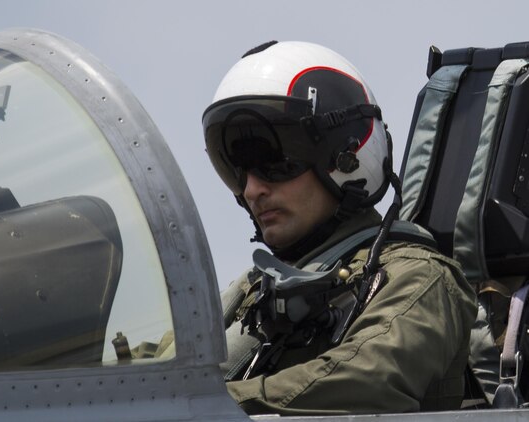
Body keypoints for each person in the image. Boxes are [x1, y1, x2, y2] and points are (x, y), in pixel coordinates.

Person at [202, 41, 477, 415]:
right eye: (239, 169)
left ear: (346, 157)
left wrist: (199, 405)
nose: (252, 190)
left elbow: (368, 378)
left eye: (273, 162)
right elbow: (150, 368)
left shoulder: (420, 277)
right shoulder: (252, 293)